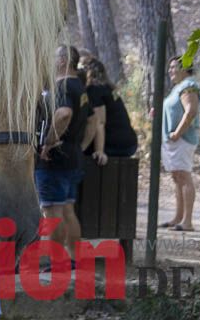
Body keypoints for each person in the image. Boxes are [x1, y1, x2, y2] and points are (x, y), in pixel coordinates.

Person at [35, 45, 89, 270]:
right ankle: (74, 259)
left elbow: (64, 113)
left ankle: (57, 261)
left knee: (52, 212)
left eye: (54, 56)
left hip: (54, 159)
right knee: (67, 209)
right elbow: (92, 121)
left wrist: (48, 142)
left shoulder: (63, 86)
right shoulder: (81, 88)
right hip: (73, 156)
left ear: (63, 61)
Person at [160, 55, 200, 231]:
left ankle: (187, 222)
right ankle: (178, 217)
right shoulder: (178, 87)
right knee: (177, 177)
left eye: (174, 67)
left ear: (184, 68)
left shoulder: (189, 86)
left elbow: (191, 111)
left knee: (184, 176)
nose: (170, 70)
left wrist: (177, 133)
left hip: (182, 140)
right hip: (172, 141)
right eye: (170, 67)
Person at [79, 55, 137, 163]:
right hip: (130, 144)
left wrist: (99, 151)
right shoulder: (110, 89)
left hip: (114, 145)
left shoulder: (94, 90)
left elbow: (99, 122)